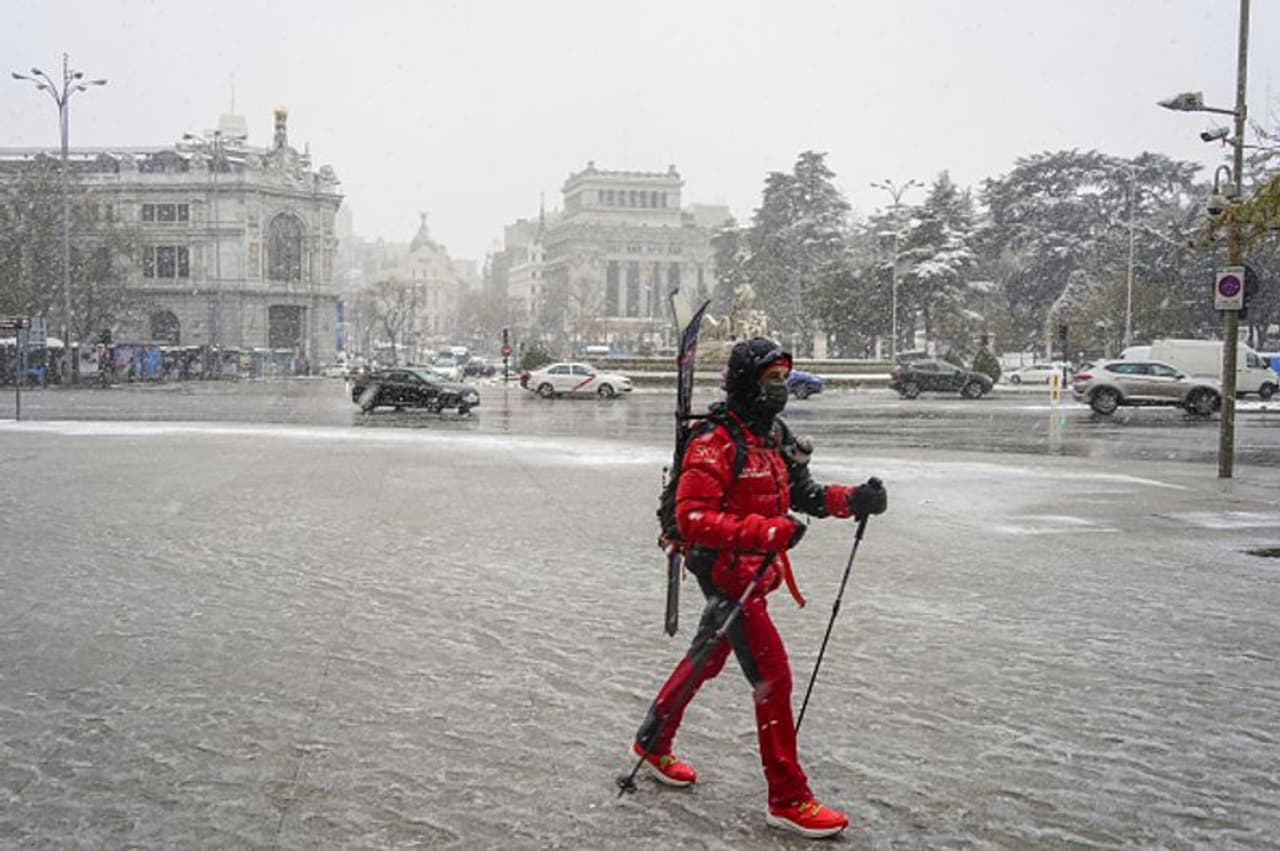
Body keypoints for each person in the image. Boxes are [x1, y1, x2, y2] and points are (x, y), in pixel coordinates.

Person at [629, 337, 888, 839]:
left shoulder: (773, 435)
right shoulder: (714, 440)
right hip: (725, 569)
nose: (781, 389)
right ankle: (788, 798)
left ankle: (650, 742)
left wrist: (853, 499)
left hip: (754, 570)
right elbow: (693, 517)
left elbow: (803, 494)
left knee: (707, 656)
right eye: (772, 380)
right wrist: (764, 531)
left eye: (785, 379)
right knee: (773, 676)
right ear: (748, 381)